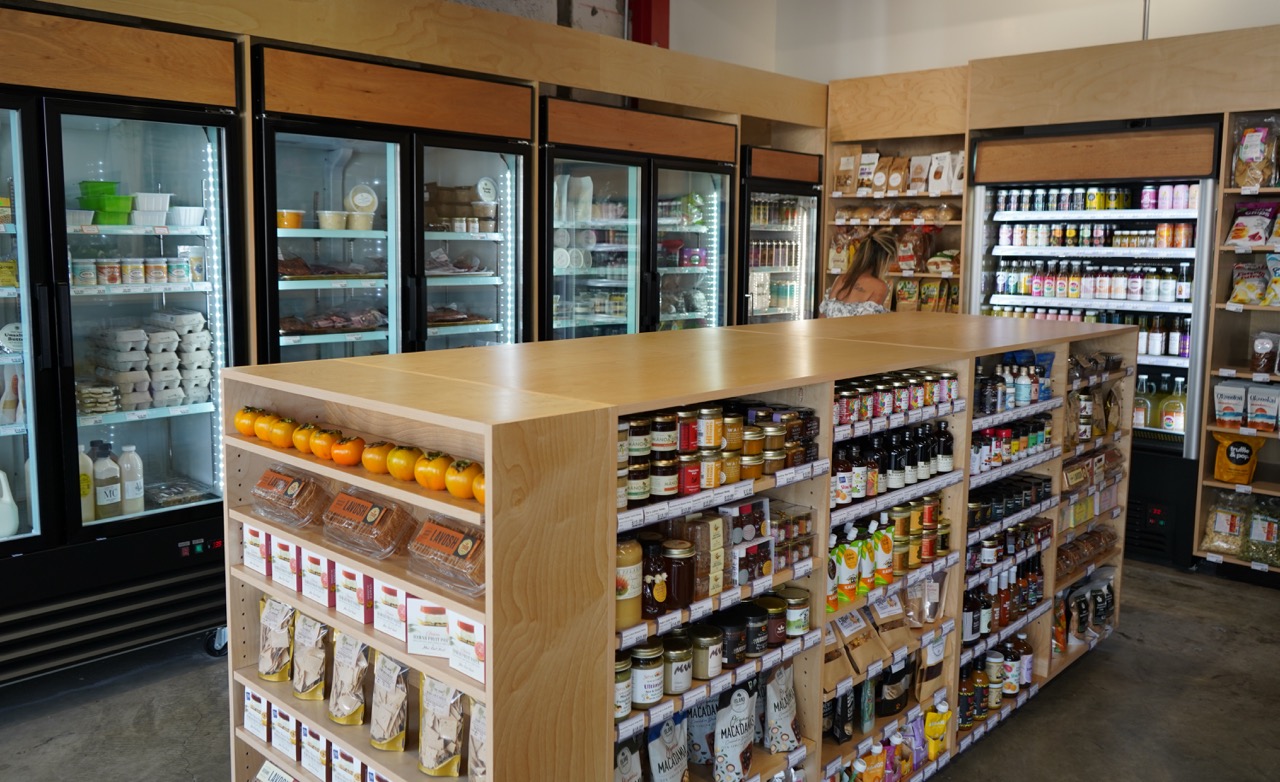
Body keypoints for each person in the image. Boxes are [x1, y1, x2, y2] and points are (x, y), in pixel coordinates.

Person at [819, 228, 894, 317]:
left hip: (828, 330)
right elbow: (868, 324)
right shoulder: (880, 287)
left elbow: (822, 316)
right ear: (887, 259)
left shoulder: (841, 279)